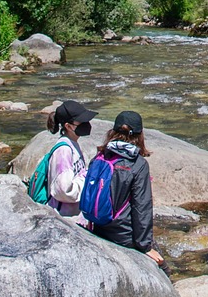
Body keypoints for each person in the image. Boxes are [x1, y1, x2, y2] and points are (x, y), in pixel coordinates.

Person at [85, 110, 164, 264]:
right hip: (123, 235)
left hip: (99, 228)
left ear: (113, 131)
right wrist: (145, 246)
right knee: (163, 268)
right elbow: (142, 206)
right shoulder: (138, 164)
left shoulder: (100, 156)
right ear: (140, 135)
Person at [44, 100, 98, 217]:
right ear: (68, 126)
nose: (86, 124)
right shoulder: (63, 151)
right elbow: (63, 190)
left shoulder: (73, 144)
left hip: (73, 214)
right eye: (82, 121)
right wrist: (87, 182)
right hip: (64, 217)